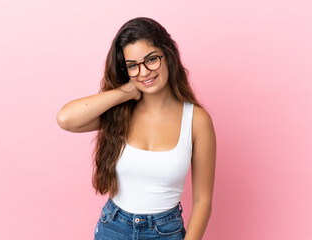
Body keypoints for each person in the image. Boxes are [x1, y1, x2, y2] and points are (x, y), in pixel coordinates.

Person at [56, 17, 216, 240]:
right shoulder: (120, 112)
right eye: (133, 65)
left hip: (165, 232)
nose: (144, 72)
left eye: (151, 59)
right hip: (113, 227)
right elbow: (66, 119)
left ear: (168, 55)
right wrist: (126, 92)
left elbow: (202, 201)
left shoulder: (196, 121)